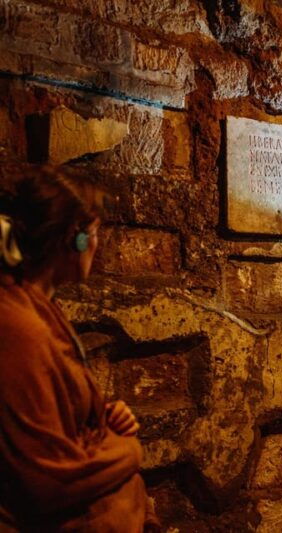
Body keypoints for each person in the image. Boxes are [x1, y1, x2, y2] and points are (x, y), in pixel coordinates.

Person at [0, 166, 157, 531]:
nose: (97, 247)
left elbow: (55, 406)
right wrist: (126, 449)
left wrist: (102, 415)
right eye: (95, 233)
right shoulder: (19, 328)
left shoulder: (40, 308)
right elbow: (47, 476)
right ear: (76, 239)